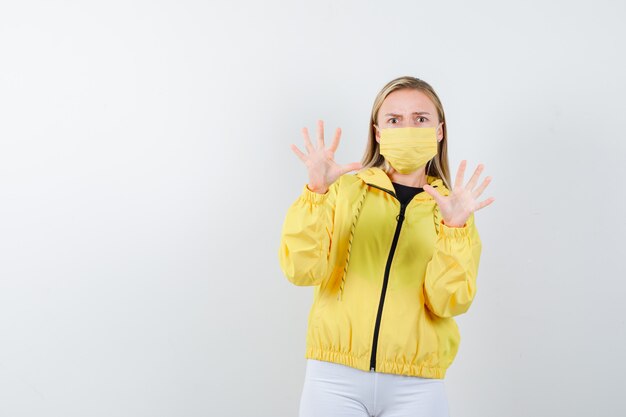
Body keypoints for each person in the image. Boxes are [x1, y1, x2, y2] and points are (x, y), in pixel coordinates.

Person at [278, 76, 495, 417]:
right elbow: (302, 271)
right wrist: (316, 192)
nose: (407, 127)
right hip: (333, 378)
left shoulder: (453, 211)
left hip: (418, 385)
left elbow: (448, 301)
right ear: (378, 133)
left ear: (439, 130)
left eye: (420, 119)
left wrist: (455, 228)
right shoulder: (343, 191)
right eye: (394, 120)